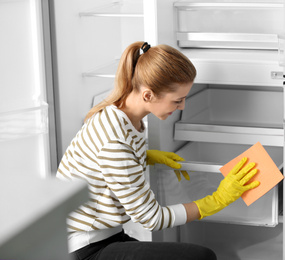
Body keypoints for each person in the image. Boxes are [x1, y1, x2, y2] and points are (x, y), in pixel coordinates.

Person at [56, 41, 260, 260]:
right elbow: (151, 218)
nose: (182, 107)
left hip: (106, 235)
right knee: (201, 257)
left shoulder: (119, 115)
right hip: (85, 248)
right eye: (177, 100)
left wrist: (144, 156)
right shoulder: (115, 143)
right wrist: (217, 200)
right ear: (148, 95)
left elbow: (103, 165)